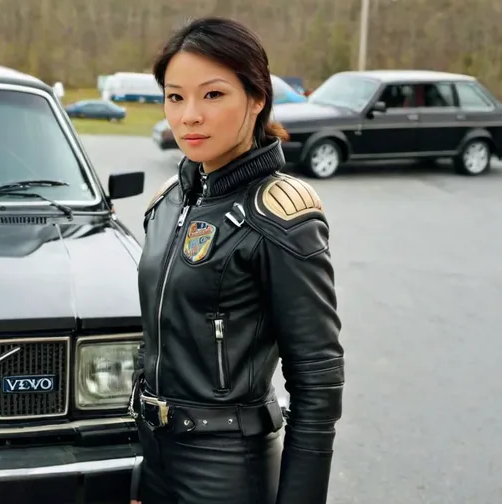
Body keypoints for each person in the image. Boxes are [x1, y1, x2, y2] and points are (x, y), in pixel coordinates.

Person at [129, 17, 345, 504]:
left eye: (212, 95)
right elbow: (155, 341)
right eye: (175, 96)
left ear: (256, 97)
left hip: (226, 468)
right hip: (158, 456)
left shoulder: (281, 215)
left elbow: (318, 380)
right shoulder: (165, 204)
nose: (188, 117)